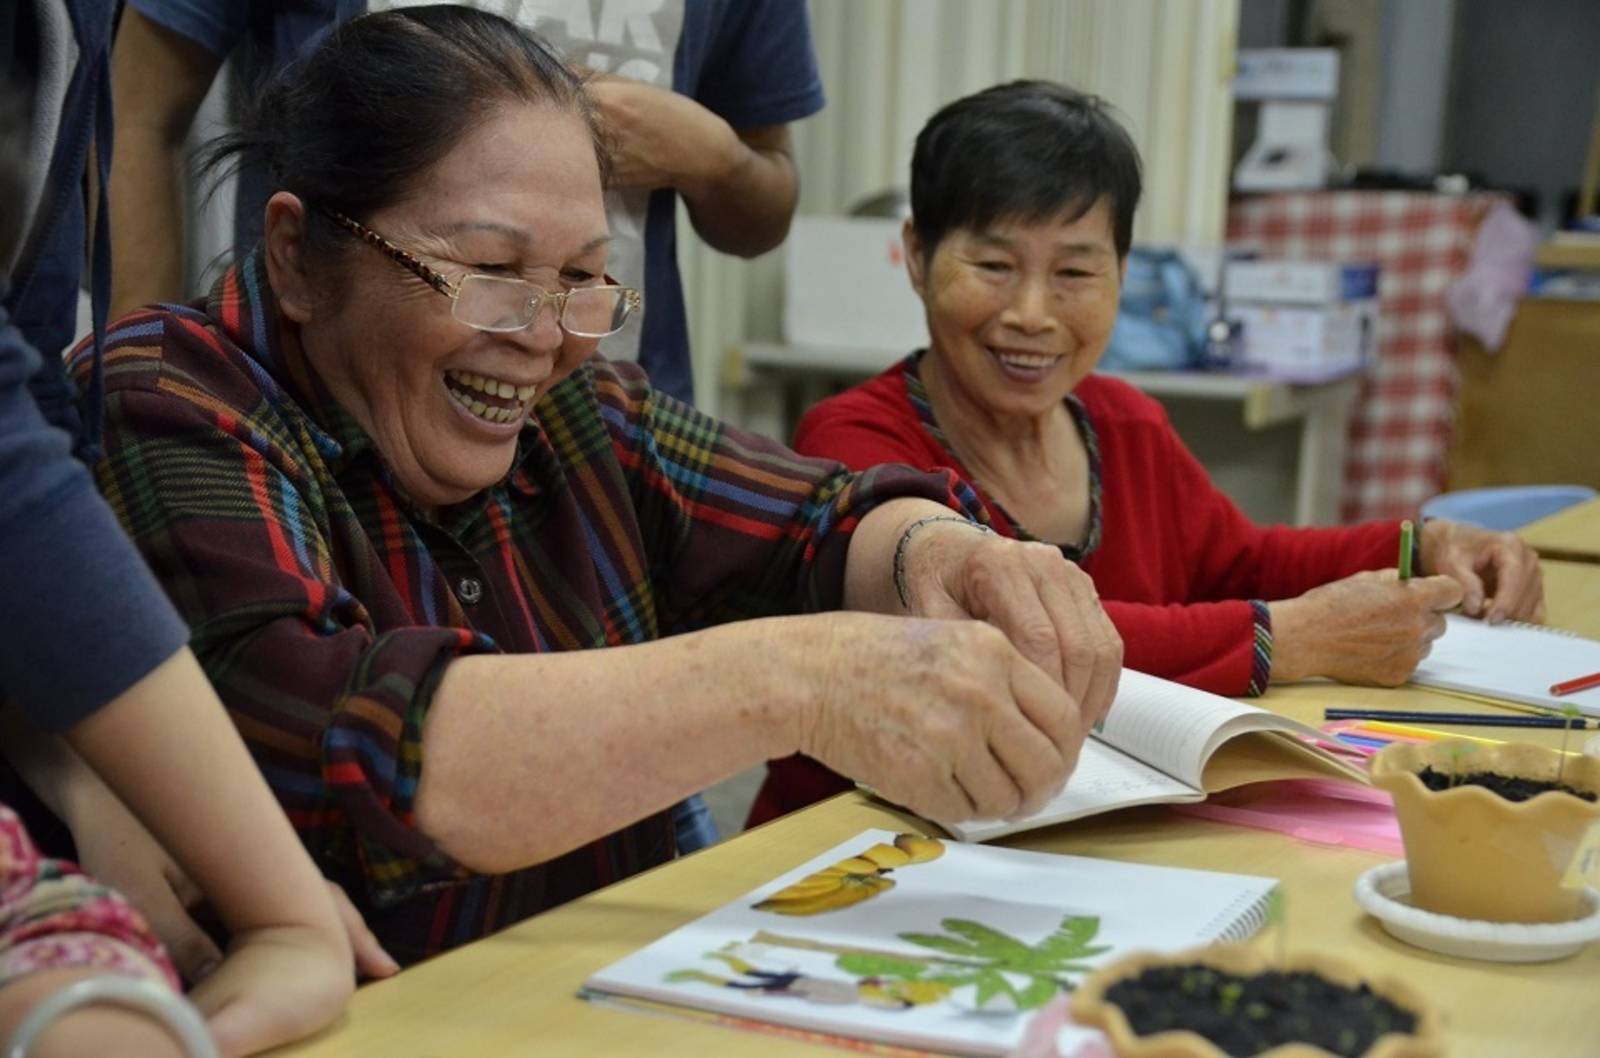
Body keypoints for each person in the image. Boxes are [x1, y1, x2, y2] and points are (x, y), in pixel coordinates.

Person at [81, 8, 1122, 968]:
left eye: (583, 279)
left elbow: (822, 519)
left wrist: (943, 550)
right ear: (297, 259)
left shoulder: (579, 408)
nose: (544, 337)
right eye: (491, 273)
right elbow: (355, 740)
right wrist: (803, 680)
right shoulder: (166, 398)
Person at [748, 80, 1545, 826]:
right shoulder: (854, 442)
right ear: (917, 256)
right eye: (993, 266)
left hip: (1085, 834)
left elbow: (1244, 561)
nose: (1032, 314)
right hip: (860, 840)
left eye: (1074, 271)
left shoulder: (1123, 422)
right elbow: (1013, 637)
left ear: (1122, 273)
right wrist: (1289, 639)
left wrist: (1421, 545)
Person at [0, 5, 391, 1055]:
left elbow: (30, 394)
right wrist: (282, 905)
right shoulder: (193, 423)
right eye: (486, 265)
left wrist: (91, 779)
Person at [108, 0, 822, 406]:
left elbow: (766, 206)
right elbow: (135, 114)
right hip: (324, 398)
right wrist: (138, 385)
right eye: (494, 262)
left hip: (600, 400)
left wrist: (714, 158)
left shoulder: (627, 431)